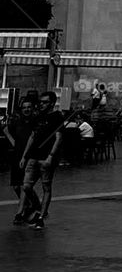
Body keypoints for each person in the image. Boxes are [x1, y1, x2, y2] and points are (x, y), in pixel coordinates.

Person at [15, 91, 65, 229]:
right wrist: (25, 156)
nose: (41, 104)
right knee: (26, 186)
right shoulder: (37, 117)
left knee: (46, 187)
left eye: (45, 102)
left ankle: (41, 217)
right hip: (33, 156)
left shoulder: (56, 117)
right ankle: (38, 207)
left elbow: (58, 138)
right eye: (40, 102)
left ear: (52, 103)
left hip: (46, 158)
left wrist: (51, 156)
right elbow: (32, 136)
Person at [5, 93, 38, 215]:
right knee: (16, 186)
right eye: (24, 108)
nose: (27, 110)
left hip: (29, 155)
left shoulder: (35, 122)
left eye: (29, 107)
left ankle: (21, 210)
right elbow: (6, 130)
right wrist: (13, 142)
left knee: (25, 184)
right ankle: (31, 203)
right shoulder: (18, 121)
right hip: (17, 154)